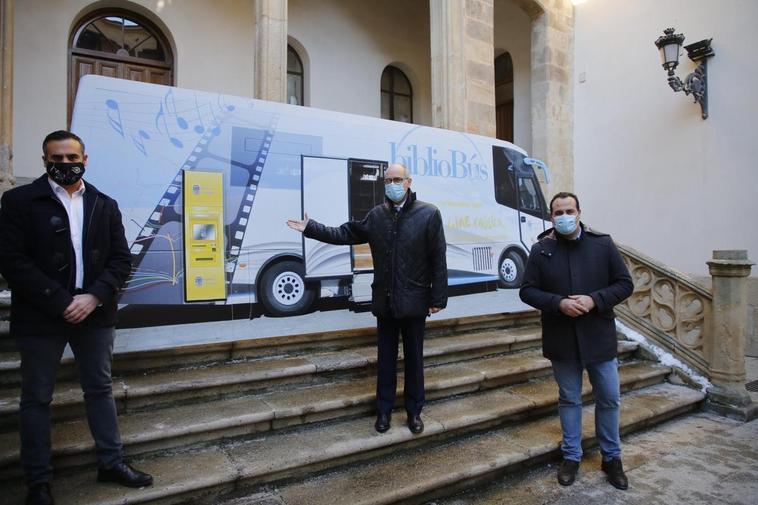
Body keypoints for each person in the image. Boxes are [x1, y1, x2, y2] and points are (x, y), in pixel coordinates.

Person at [0, 131, 153, 505]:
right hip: (41, 315)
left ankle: (111, 462)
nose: (65, 164)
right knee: (37, 397)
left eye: (72, 158)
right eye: (57, 158)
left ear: (86, 159)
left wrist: (95, 296)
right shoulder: (18, 200)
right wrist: (60, 300)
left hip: (95, 314)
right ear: (44, 160)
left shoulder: (104, 203)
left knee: (99, 389)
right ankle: (38, 482)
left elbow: (121, 260)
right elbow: (11, 260)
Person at [287, 162, 447, 434]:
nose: (392, 184)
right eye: (388, 180)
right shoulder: (377, 216)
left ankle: (414, 412)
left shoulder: (429, 214)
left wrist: (438, 298)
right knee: (385, 361)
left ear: (409, 182)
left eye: (397, 179)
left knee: (414, 361)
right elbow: (344, 233)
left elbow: (438, 259)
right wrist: (310, 228)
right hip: (385, 302)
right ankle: (383, 412)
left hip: (415, 301)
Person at [519, 191, 633, 490]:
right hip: (562, 339)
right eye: (558, 212)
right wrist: (559, 303)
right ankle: (571, 456)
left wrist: (594, 300)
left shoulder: (603, 244)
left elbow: (624, 284)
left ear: (579, 212)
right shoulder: (541, 250)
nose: (564, 216)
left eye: (569, 210)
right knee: (570, 399)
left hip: (599, 337)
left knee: (609, 397)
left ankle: (612, 458)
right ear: (551, 216)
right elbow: (527, 290)